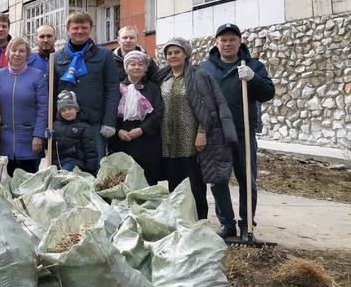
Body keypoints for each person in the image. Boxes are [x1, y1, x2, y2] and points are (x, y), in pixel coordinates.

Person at [200, 23, 275, 239]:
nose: (228, 44)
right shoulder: (205, 69)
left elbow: (267, 93)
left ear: (239, 41)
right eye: (223, 40)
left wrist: (254, 78)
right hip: (217, 134)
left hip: (243, 132)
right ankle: (227, 224)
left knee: (247, 179)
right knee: (218, 180)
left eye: (232, 39)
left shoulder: (252, 65)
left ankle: (246, 225)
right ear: (216, 43)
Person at [157, 37, 237, 221]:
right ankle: (178, 222)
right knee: (174, 186)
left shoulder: (198, 75)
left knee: (195, 185)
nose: (173, 56)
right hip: (169, 141)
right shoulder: (163, 77)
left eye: (177, 52)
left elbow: (210, 107)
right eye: (169, 53)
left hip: (192, 142)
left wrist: (202, 132)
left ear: (186, 54)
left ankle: (199, 222)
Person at [53, 11, 120, 161]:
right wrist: (51, 124)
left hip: (94, 122)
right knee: (67, 170)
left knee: (95, 167)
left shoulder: (104, 55)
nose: (80, 31)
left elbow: (112, 88)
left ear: (91, 29)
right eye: (75, 28)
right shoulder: (57, 58)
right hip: (65, 125)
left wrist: (109, 122)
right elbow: (51, 92)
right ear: (68, 30)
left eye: (84, 27)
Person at [0, 37, 48, 175]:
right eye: (14, 50)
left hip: (30, 143)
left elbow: (43, 108)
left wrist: (39, 135)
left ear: (27, 55)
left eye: (21, 51)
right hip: (3, 143)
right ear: (8, 53)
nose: (17, 54)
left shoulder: (37, 75)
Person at [108, 50, 164, 184]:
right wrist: (118, 130)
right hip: (123, 143)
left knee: (148, 184)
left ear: (145, 68)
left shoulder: (153, 88)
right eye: (132, 64)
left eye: (140, 64)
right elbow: (109, 111)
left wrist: (142, 129)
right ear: (126, 67)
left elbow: (158, 112)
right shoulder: (117, 88)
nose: (137, 67)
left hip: (147, 143)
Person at [51, 90, 98, 174]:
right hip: (58, 163)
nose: (67, 112)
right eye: (63, 110)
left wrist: (91, 169)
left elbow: (90, 150)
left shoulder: (84, 127)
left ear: (76, 109)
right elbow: (49, 146)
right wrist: (46, 137)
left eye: (70, 108)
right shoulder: (55, 126)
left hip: (76, 163)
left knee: (65, 173)